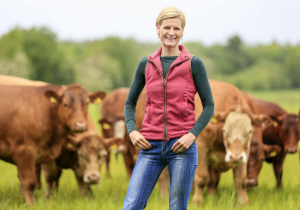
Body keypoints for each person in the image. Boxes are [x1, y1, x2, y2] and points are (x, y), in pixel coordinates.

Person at [122, 6, 214, 210]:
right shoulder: (145, 64)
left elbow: (209, 105)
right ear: (158, 29)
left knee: (177, 206)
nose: (171, 32)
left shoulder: (193, 64)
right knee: (132, 204)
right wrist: (132, 131)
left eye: (176, 28)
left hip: (182, 147)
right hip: (149, 147)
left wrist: (192, 135)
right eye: (166, 27)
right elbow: (129, 103)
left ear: (182, 31)